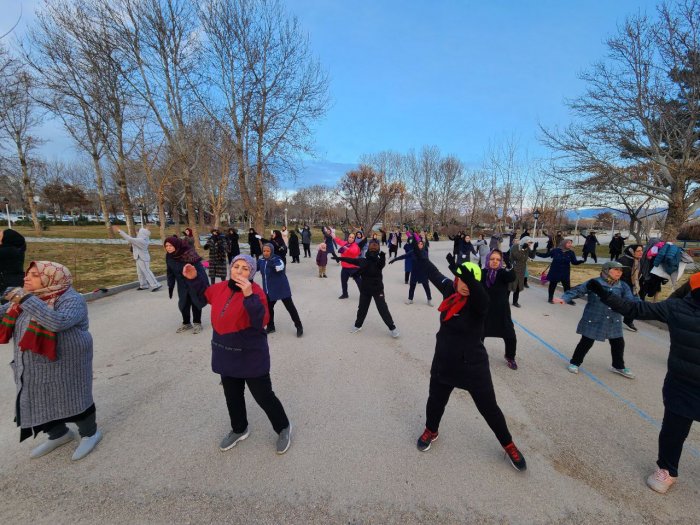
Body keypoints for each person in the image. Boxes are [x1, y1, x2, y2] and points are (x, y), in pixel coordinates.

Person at [586, 271, 700, 494]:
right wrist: (605, 293)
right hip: (682, 384)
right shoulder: (676, 308)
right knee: (673, 431)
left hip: (681, 381)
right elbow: (635, 309)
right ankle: (667, 470)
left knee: (672, 431)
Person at [415, 255, 527, 471]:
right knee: (436, 401)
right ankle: (431, 430)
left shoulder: (479, 303)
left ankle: (508, 444)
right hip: (444, 362)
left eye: (472, 281)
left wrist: (471, 280)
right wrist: (419, 253)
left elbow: (482, 298)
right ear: (457, 280)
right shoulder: (450, 291)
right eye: (463, 281)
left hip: (473, 366)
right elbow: (434, 273)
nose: (467, 286)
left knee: (490, 409)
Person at [183, 254, 292, 454]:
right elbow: (201, 298)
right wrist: (193, 279)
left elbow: (261, 320)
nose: (239, 271)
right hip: (225, 352)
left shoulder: (257, 292)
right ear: (231, 268)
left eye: (245, 268)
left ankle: (283, 427)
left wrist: (248, 295)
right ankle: (239, 429)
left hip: (250, 355)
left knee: (263, 396)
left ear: (251, 273)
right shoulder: (220, 288)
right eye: (236, 267)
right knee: (232, 395)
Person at [0, 261, 102, 460]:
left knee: (74, 396)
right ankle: (58, 434)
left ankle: (90, 434)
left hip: (67, 364)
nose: (26, 278)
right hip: (31, 365)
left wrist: (24, 298)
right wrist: (22, 299)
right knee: (36, 400)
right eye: (27, 274)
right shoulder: (30, 299)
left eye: (34, 275)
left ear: (51, 277)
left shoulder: (71, 299)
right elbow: (3, 312)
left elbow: (57, 322)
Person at [553, 261, 639, 378]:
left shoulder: (623, 286)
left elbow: (630, 300)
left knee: (618, 343)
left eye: (621, 270)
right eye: (616, 270)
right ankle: (575, 363)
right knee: (586, 342)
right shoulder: (595, 283)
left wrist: (639, 306)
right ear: (606, 270)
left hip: (614, 320)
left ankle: (618, 366)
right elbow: (577, 291)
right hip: (594, 318)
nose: (619, 272)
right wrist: (565, 298)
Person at [334, 238, 399, 337]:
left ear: (377, 248)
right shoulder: (363, 261)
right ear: (368, 248)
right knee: (362, 308)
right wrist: (340, 258)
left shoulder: (379, 261)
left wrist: (382, 254)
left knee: (382, 308)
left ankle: (392, 328)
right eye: (371, 244)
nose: (373, 245)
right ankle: (358, 325)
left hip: (377, 289)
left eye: (375, 244)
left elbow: (382, 263)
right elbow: (352, 260)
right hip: (365, 289)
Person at [481, 250, 519, 370]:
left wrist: (509, 265)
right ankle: (477, 355)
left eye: (498, 260)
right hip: (484, 310)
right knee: (478, 335)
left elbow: (512, 277)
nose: (495, 262)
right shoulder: (482, 272)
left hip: (501, 311)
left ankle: (510, 357)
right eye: (492, 259)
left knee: (510, 336)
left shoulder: (503, 273)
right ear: (488, 260)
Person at [257, 244, 303, 337]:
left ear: (272, 251)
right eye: (264, 251)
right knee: (269, 308)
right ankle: (270, 326)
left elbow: (280, 265)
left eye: (268, 251)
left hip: (281, 288)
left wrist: (278, 267)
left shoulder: (276, 259)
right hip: (269, 290)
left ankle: (299, 326)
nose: (265, 253)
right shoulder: (261, 261)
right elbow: (253, 268)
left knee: (290, 308)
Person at [165, 236, 207, 334]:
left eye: (170, 245)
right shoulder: (169, 256)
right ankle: (186, 323)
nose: (168, 248)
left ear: (176, 245)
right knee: (183, 303)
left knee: (195, 302)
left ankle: (197, 323)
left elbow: (200, 271)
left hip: (193, 283)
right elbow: (170, 272)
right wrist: (170, 285)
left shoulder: (189, 254)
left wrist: (203, 285)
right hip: (182, 285)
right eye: (166, 246)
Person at [113, 225, 162, 292]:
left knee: (146, 271)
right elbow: (145, 233)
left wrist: (119, 230)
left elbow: (129, 239)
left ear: (142, 233)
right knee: (140, 272)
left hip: (143, 258)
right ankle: (143, 285)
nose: (137, 232)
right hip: (139, 257)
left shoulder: (141, 240)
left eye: (138, 232)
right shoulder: (145, 237)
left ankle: (156, 285)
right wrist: (147, 229)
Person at [537, 238, 584, 303]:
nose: (570, 244)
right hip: (555, 271)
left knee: (567, 286)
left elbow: (574, 262)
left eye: (571, 243)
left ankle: (568, 299)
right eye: (568, 243)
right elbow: (545, 255)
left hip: (565, 272)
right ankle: (550, 298)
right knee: (552, 285)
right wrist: (535, 253)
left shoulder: (571, 253)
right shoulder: (555, 250)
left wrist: (580, 261)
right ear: (564, 243)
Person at [391, 238, 432, 306]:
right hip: (414, 272)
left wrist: (429, 271)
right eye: (418, 243)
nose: (420, 245)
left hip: (423, 272)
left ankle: (429, 299)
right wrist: (395, 259)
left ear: (423, 245)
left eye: (421, 244)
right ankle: (410, 299)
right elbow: (404, 256)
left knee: (426, 286)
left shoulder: (425, 252)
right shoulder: (412, 252)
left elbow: (428, 262)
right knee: (412, 286)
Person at [618, 244, 644, 332]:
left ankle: (628, 321)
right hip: (622, 287)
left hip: (633, 287)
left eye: (641, 250)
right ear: (632, 252)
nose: (641, 253)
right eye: (638, 251)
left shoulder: (638, 261)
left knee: (637, 304)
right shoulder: (622, 261)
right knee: (618, 305)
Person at [508, 237, 537, 308]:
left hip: (522, 269)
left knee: (518, 286)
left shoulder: (527, 248)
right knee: (510, 285)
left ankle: (515, 302)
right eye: (529, 242)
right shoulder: (515, 247)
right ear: (524, 241)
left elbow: (532, 256)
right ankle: (505, 300)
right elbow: (517, 256)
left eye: (531, 243)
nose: (530, 244)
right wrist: (523, 249)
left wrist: (534, 249)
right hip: (514, 268)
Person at [334, 231, 363, 299]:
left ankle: (364, 294)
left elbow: (354, 252)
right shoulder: (345, 243)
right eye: (350, 237)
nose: (350, 238)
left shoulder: (355, 246)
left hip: (353, 268)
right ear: (348, 237)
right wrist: (333, 236)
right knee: (343, 281)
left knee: (359, 282)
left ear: (354, 239)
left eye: (352, 238)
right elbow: (339, 241)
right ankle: (345, 294)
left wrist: (348, 249)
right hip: (345, 267)